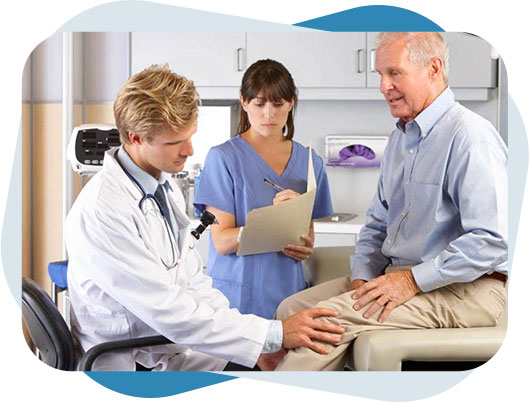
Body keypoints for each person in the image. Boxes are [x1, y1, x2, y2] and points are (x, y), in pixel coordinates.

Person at [65, 65, 345, 371]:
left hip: (172, 346)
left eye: (189, 137)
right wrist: (272, 335)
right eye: (174, 143)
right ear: (135, 138)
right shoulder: (104, 210)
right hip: (133, 360)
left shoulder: (162, 189)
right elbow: (165, 308)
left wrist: (255, 348)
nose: (189, 150)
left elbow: (193, 282)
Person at [273, 32, 508, 371]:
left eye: (394, 73)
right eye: (380, 74)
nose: (383, 86)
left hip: (469, 288)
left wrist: (412, 280)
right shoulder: (400, 140)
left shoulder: (471, 137)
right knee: (290, 314)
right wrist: (361, 277)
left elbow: (493, 241)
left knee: (326, 325)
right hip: (398, 276)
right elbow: (377, 226)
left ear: (433, 68)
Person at [194, 59, 334, 319]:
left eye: (278, 103)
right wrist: (273, 224)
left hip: (287, 295)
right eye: (259, 103)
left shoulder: (310, 162)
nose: (269, 114)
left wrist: (303, 243)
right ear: (244, 102)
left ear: (291, 102)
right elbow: (222, 241)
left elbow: (308, 241)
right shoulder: (223, 159)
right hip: (236, 299)